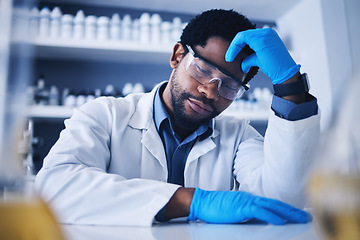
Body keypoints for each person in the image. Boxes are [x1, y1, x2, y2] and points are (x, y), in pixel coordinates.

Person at [35, 9, 320, 226]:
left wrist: (290, 84)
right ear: (177, 56)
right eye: (203, 69)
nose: (210, 91)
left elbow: (284, 202)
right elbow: (55, 188)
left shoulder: (239, 136)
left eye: (230, 85)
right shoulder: (105, 115)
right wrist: (190, 201)